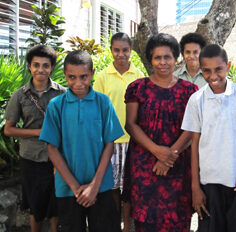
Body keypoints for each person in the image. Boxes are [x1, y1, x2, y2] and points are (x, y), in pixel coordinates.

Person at [39, 50, 124, 232]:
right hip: (68, 189)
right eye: (72, 77)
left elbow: (110, 144)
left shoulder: (103, 102)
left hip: (101, 187)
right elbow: (52, 148)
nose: (78, 83)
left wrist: (94, 186)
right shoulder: (56, 106)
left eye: (84, 77)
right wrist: (76, 187)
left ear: (92, 74)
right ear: (65, 75)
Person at [181, 44, 236, 232]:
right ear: (201, 71)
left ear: (228, 66)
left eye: (219, 69)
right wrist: (195, 187)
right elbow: (194, 144)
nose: (213, 76)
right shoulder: (197, 100)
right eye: (207, 71)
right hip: (208, 184)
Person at [123, 33, 197, 232]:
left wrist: (169, 155)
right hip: (144, 165)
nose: (163, 62)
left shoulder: (190, 91)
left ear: (176, 59)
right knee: (146, 222)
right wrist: (157, 151)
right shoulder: (137, 88)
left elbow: (193, 128)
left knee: (178, 221)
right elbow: (130, 124)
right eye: (157, 57)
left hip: (178, 164)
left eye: (168, 57)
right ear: (150, 59)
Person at [4, 45, 65, 232]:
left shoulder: (62, 93)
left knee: (55, 202)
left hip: (57, 157)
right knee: (35, 204)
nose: (41, 69)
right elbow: (9, 130)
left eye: (45, 65)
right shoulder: (19, 96)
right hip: (31, 158)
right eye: (36, 65)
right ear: (30, 67)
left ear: (52, 68)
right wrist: (38, 132)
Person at [93, 32, 143, 232]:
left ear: (130, 51)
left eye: (125, 50)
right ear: (111, 50)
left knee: (129, 187)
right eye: (116, 50)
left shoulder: (139, 75)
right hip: (111, 141)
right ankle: (115, 224)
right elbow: (97, 108)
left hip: (134, 140)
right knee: (113, 186)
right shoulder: (103, 76)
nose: (121, 54)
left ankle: (127, 226)